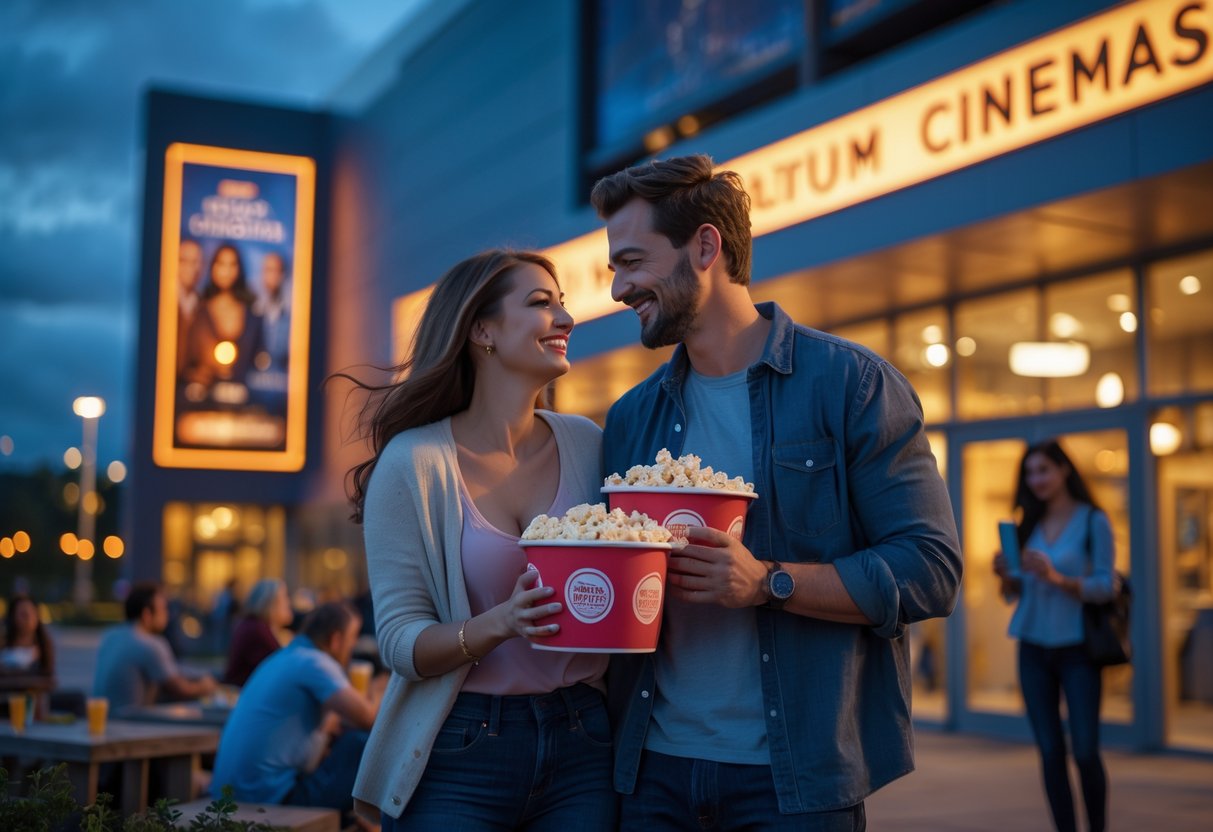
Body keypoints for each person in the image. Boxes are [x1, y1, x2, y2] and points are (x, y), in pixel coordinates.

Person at [591, 154, 962, 830]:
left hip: (794, 783)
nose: (618, 288)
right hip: (648, 776)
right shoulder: (628, 419)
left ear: (706, 246)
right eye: (615, 269)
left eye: (632, 262)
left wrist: (767, 582)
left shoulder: (849, 384)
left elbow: (929, 571)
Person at [344, 250, 616, 829]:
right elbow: (399, 643)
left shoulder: (588, 444)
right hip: (461, 747)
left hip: (585, 742)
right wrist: (502, 622)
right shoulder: (415, 462)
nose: (566, 318)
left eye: (563, 302)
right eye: (542, 304)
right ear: (482, 330)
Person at [993, 439, 1117, 832]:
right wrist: (1006, 577)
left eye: (1043, 469)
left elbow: (1106, 586)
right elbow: (1014, 594)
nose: (1036, 479)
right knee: (1049, 751)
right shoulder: (1026, 522)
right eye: (1030, 473)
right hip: (1032, 647)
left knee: (1083, 750)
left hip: (1077, 648)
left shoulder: (1093, 520)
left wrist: (1057, 578)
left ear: (1064, 469)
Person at [211, 602, 380, 821]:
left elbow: (307, 753)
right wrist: (380, 688)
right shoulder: (316, 663)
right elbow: (369, 719)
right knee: (360, 744)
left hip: (235, 795)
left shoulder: (284, 657)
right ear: (336, 639)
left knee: (345, 745)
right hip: (269, 800)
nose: (354, 644)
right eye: (353, 636)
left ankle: (365, 819)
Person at [93, 582, 217, 711]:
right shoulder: (150, 643)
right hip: (131, 722)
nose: (167, 614)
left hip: (104, 718)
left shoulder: (111, 635)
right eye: (163, 609)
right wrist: (205, 687)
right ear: (147, 614)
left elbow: (172, 670)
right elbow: (180, 689)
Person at [182, 242, 265, 399]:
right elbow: (187, 361)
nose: (226, 271)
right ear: (212, 268)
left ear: (239, 269)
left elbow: (259, 360)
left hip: (244, 399)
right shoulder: (199, 311)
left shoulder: (252, 315)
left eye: (232, 264)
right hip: (205, 399)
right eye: (221, 264)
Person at [223, 578, 294, 686]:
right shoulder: (257, 629)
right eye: (284, 598)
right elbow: (284, 668)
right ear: (270, 604)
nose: (289, 603)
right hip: (241, 693)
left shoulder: (255, 626)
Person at [0, 594, 55, 675]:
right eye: (23, 614)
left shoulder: (44, 647)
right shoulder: (3, 646)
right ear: (12, 616)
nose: (28, 618)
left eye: (32, 613)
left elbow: (49, 678)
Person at [176, 238, 204, 376]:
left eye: (196, 262)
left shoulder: (203, 306)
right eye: (185, 261)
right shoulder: (162, 302)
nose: (193, 268)